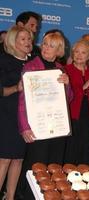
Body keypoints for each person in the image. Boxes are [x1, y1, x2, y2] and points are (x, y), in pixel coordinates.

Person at [17, 32, 70, 199]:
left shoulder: (60, 70)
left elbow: (68, 100)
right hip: (37, 126)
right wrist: (24, 127)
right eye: (45, 44)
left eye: (51, 46)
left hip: (57, 127)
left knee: (53, 167)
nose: (46, 48)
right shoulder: (31, 66)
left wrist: (67, 85)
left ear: (59, 51)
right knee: (35, 167)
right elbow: (22, 101)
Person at [0, 25, 33, 200]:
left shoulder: (33, 62)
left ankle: (10, 196)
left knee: (18, 159)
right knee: (4, 159)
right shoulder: (3, 61)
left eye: (29, 38)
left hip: (25, 119)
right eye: (23, 39)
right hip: (6, 116)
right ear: (13, 41)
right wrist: (16, 88)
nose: (28, 42)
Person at [64, 39, 89, 165]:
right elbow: (66, 94)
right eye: (76, 52)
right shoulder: (65, 70)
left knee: (86, 149)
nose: (78, 55)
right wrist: (83, 88)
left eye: (83, 52)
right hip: (72, 116)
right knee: (71, 151)